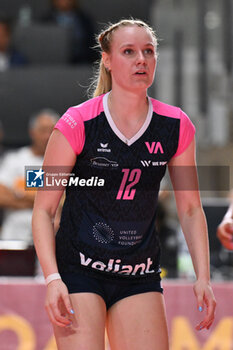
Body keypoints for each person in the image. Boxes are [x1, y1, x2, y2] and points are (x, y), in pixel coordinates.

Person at [32, 19, 216, 350]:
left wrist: (203, 275)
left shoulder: (176, 125)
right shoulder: (77, 123)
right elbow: (43, 211)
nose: (141, 60)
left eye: (148, 51)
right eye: (128, 52)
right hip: (79, 269)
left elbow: (190, 208)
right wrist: (52, 278)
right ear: (107, 59)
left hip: (139, 272)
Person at [0, 109, 58, 243]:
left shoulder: (65, 162)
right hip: (15, 235)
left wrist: (19, 192)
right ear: (32, 132)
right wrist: (44, 202)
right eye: (43, 130)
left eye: (51, 131)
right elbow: (1, 196)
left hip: (51, 236)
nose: (47, 136)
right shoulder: (15, 159)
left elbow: (64, 201)